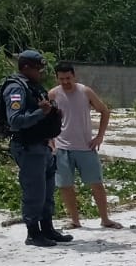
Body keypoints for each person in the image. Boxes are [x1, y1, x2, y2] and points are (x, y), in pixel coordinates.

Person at [5, 50, 73, 247]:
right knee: (34, 192)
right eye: (37, 69)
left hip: (43, 146)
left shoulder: (34, 86)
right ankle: (33, 233)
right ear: (26, 67)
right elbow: (15, 121)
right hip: (28, 147)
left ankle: (48, 229)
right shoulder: (15, 89)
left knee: (47, 191)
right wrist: (40, 112)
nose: (40, 73)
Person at [48, 62, 120, 229]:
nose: (65, 81)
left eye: (68, 78)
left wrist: (100, 136)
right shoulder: (53, 94)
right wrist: (50, 141)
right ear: (56, 78)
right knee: (66, 185)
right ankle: (75, 220)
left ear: (74, 76)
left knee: (96, 183)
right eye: (61, 78)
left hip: (86, 146)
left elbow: (104, 111)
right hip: (62, 147)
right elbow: (47, 119)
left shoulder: (85, 91)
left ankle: (105, 219)